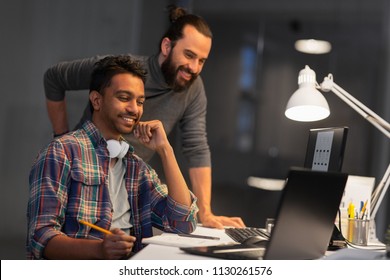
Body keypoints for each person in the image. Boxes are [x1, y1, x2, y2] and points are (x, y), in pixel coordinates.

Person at [44, 5, 245, 229]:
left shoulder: (193, 88)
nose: (194, 68)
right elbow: (54, 77)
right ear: (167, 46)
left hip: (129, 179)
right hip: (86, 172)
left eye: (202, 61)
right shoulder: (118, 71)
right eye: (189, 55)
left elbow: (196, 147)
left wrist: (206, 213)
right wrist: (61, 137)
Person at [27, 55, 198, 260]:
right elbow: (40, 238)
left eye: (140, 101)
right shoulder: (60, 153)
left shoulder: (137, 168)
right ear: (97, 100)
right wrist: (99, 250)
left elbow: (182, 223)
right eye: (124, 98)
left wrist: (165, 151)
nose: (134, 109)